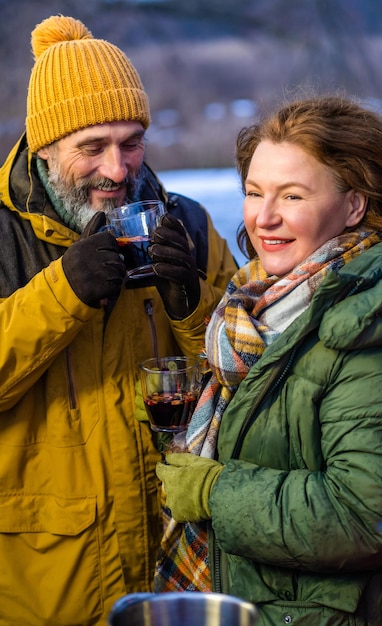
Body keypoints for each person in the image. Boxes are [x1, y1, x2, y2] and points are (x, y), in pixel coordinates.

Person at [0, 14, 237, 626]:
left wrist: (190, 303)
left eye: (132, 141)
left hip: (179, 563)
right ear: (43, 145)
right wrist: (63, 293)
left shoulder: (185, 221)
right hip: (44, 584)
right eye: (91, 146)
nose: (117, 167)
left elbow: (252, 377)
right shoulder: (2, 241)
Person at [156, 94, 382, 626]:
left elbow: (370, 518)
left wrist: (214, 490)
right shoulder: (257, 302)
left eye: (293, 195)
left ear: (353, 206)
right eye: (254, 193)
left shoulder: (372, 324)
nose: (264, 218)